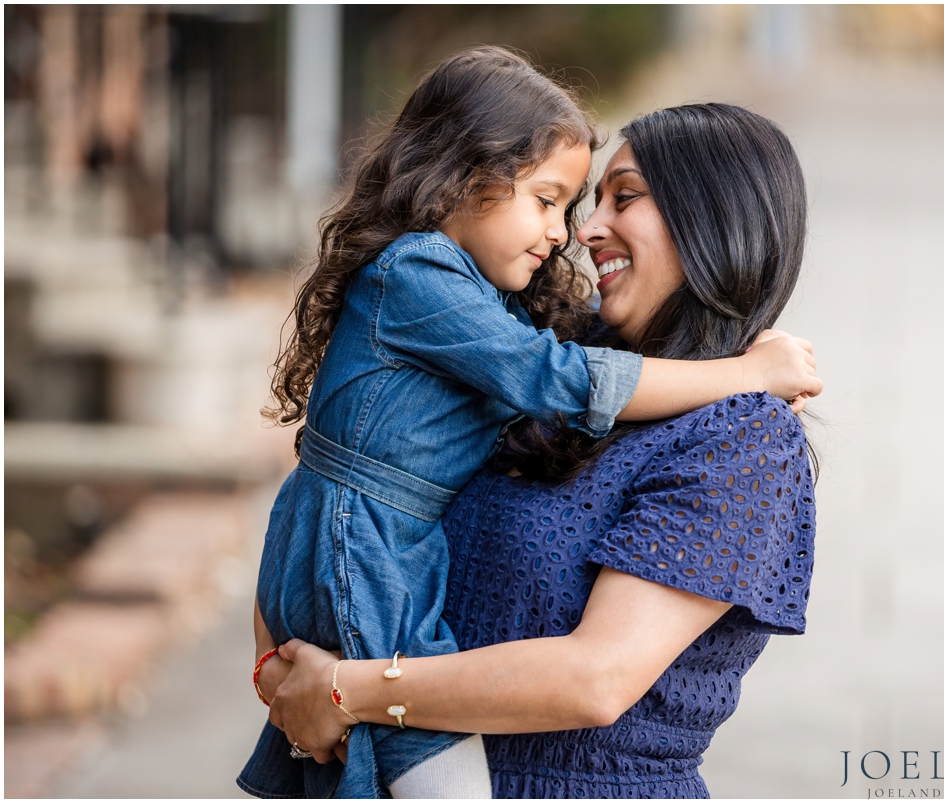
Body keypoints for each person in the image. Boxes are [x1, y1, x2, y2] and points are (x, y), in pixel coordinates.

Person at [240, 49, 822, 800]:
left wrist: (346, 689)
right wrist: (284, 664)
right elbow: (346, 470)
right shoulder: (534, 352)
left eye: (624, 197)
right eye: (573, 204)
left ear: (711, 221)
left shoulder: (740, 439)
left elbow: (597, 678)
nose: (584, 232)